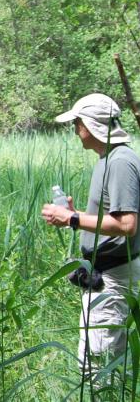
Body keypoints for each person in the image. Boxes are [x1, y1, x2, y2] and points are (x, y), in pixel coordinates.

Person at [41, 93, 140, 373]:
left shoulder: (120, 161)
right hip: (105, 273)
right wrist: (78, 214)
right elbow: (113, 217)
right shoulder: (109, 158)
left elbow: (127, 224)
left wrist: (72, 218)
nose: (75, 130)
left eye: (78, 123)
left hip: (113, 277)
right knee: (97, 357)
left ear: (93, 124)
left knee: (99, 365)